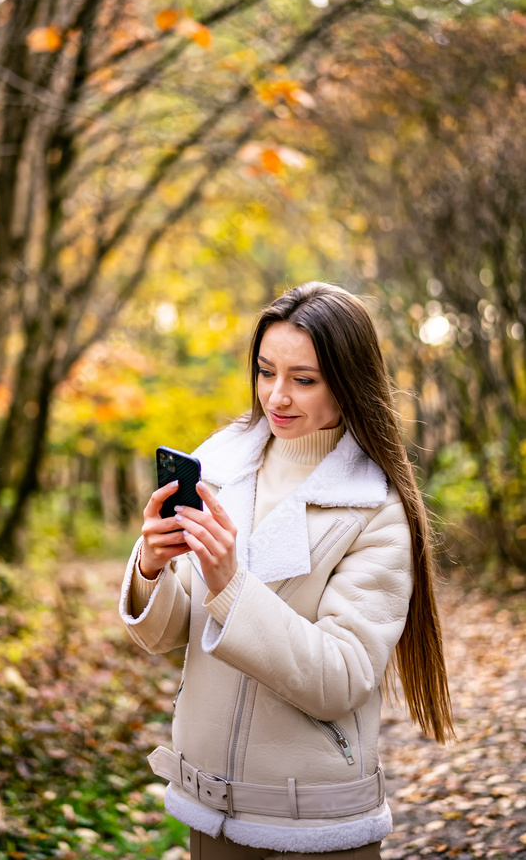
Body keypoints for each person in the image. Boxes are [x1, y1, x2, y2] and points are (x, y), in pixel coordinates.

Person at [118, 281, 454, 859]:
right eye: (265, 371)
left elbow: (341, 679)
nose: (277, 396)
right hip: (208, 808)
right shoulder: (221, 464)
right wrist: (151, 565)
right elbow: (165, 636)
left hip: (315, 823)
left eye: (304, 380)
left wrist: (230, 585)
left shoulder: (373, 509)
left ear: (348, 385)